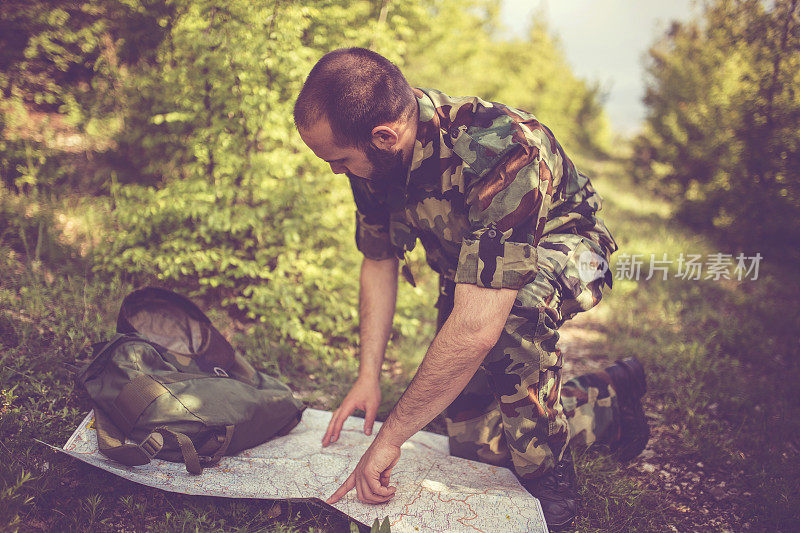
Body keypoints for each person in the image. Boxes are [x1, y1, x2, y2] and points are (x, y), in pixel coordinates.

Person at [293, 47, 649, 531]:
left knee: (512, 315)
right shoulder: (374, 161)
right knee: (475, 444)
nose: (335, 171)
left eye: (339, 160)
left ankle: (551, 480)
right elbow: (378, 260)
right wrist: (368, 376)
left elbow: (480, 324)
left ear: (383, 137)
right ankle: (609, 396)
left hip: (569, 246)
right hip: (479, 272)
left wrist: (391, 437)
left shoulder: (497, 148)